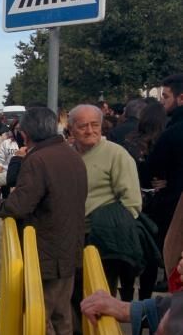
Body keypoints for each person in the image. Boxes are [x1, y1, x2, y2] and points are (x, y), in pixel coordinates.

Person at [0, 106, 88, 335]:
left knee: (39, 322)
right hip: (69, 249)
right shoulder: (71, 154)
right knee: (61, 320)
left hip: (45, 252)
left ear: (27, 132)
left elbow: (19, 205)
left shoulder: (39, 160)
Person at [70, 104, 143, 301]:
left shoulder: (116, 154)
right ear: (71, 129)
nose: (89, 131)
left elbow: (132, 202)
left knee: (98, 294)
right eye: (83, 126)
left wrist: (114, 228)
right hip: (72, 236)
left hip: (103, 239)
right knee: (74, 294)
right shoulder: (68, 154)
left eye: (95, 125)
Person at [122, 100, 168, 299]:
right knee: (150, 253)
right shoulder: (163, 142)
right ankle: (145, 300)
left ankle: (126, 294)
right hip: (156, 204)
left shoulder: (129, 141)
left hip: (131, 201)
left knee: (129, 252)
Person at [148, 74, 183, 248]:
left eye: (166, 96)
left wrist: (158, 180)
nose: (162, 102)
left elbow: (152, 168)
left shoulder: (172, 132)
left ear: (181, 98)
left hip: (174, 208)